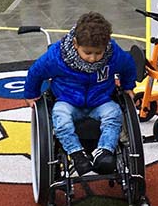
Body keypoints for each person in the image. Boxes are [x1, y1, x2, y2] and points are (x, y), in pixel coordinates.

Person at [23, 12, 137, 176]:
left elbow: (128, 66)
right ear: (76, 44)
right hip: (67, 100)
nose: (93, 58)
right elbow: (36, 72)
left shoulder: (113, 54)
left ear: (106, 46)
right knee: (60, 117)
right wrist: (31, 94)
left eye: (98, 53)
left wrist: (127, 86)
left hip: (100, 100)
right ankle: (76, 154)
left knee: (114, 113)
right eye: (88, 53)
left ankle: (104, 152)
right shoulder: (57, 57)